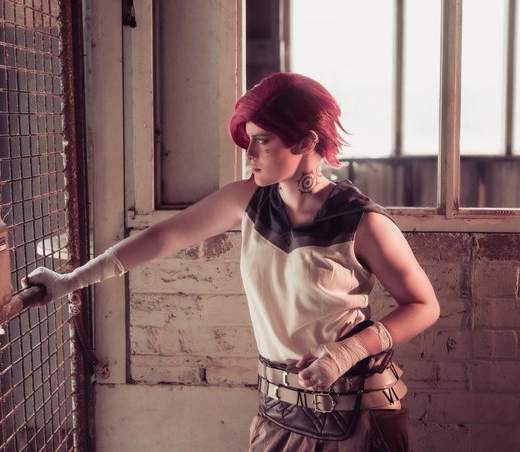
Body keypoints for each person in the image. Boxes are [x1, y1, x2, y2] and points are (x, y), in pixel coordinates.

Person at [23, 72, 440, 451]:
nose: (249, 152)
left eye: (263, 140)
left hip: (359, 415)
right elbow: (161, 237)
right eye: (249, 139)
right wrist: (69, 281)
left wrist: (346, 352)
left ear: (306, 142)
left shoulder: (362, 221)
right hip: (279, 412)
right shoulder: (248, 199)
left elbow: (424, 305)